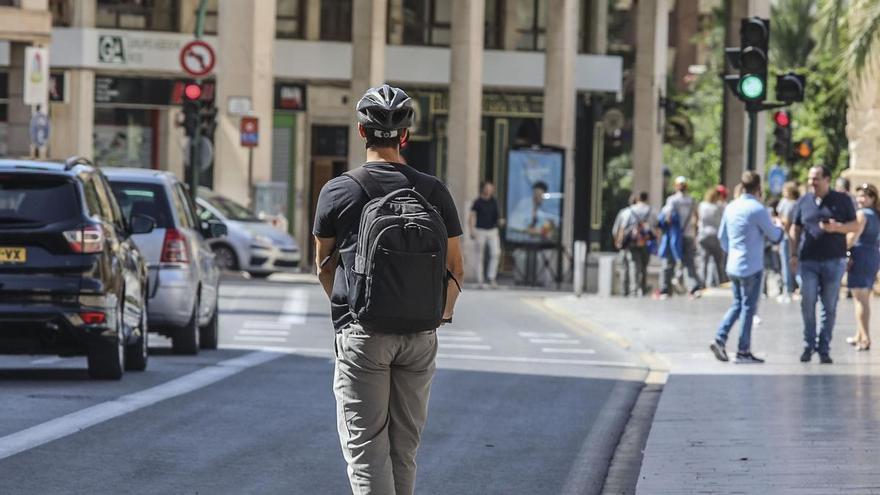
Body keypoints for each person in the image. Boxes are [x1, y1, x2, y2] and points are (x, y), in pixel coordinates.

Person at [313, 84, 465, 495]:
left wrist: (349, 308)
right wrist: (438, 315)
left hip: (364, 334)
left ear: (362, 133)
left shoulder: (338, 191)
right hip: (420, 336)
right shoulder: (434, 191)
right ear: (405, 136)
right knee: (405, 449)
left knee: (366, 450)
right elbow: (456, 268)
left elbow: (323, 264)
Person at [710, 172, 784, 364]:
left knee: (737, 304)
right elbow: (774, 236)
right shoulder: (757, 209)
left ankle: (720, 337)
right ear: (759, 188)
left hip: (733, 264)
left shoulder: (731, 207)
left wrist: (732, 251)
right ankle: (743, 350)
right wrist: (780, 226)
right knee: (748, 308)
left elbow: (722, 237)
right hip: (751, 265)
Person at [790, 165, 858, 364]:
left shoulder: (842, 200)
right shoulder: (804, 201)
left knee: (829, 306)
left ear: (827, 179)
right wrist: (793, 252)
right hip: (808, 260)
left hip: (834, 260)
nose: (812, 182)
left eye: (816, 178)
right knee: (807, 302)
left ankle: (824, 347)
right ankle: (808, 344)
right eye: (810, 178)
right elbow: (795, 227)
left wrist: (838, 228)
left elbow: (854, 225)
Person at [845, 183, 880, 351]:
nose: (860, 199)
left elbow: (852, 238)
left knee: (859, 299)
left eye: (864, 196)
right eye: (858, 195)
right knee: (865, 297)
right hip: (873, 256)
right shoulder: (876, 214)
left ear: (872, 198)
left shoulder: (861, 214)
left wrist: (841, 249)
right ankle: (859, 334)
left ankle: (865, 337)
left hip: (860, 255)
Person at [658, 176, 704, 298]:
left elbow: (666, 217)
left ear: (676, 186)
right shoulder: (692, 200)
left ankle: (665, 289)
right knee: (689, 262)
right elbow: (696, 218)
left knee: (669, 262)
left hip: (675, 236)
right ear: (686, 186)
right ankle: (693, 288)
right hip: (688, 235)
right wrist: (695, 235)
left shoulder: (672, 200)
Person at [469, 181, 503, 288]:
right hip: (480, 231)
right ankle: (480, 280)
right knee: (479, 255)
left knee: (496, 253)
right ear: (483, 189)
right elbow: (472, 216)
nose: (489, 190)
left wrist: (500, 221)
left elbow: (497, 217)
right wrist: (471, 230)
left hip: (492, 230)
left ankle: (491, 277)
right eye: (487, 188)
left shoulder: (494, 201)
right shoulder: (478, 202)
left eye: (491, 188)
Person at [698, 186, 727, 287]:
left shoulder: (702, 206)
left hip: (703, 235)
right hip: (715, 235)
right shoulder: (717, 207)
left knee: (703, 261)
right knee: (719, 261)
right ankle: (722, 282)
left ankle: (702, 283)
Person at [777, 182, 800, 302]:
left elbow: (785, 221)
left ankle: (788, 291)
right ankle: (800, 287)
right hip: (798, 238)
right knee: (796, 265)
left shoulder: (786, 204)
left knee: (786, 265)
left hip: (786, 238)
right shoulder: (798, 203)